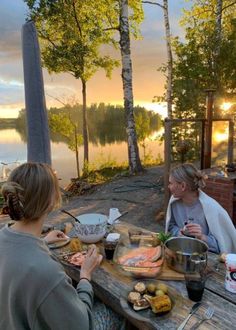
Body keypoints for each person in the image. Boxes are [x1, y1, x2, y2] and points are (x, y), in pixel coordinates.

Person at [0, 162, 123, 330]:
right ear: (50, 202)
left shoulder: (3, 236)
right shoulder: (46, 272)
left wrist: (42, 242)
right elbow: (82, 326)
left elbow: (17, 257)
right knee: (117, 310)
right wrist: (85, 276)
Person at [165, 163, 236, 254]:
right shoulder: (174, 202)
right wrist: (180, 232)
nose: (168, 186)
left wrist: (201, 237)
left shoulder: (212, 209)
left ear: (183, 186)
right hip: (182, 253)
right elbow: (170, 227)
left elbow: (222, 247)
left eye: (170, 183)